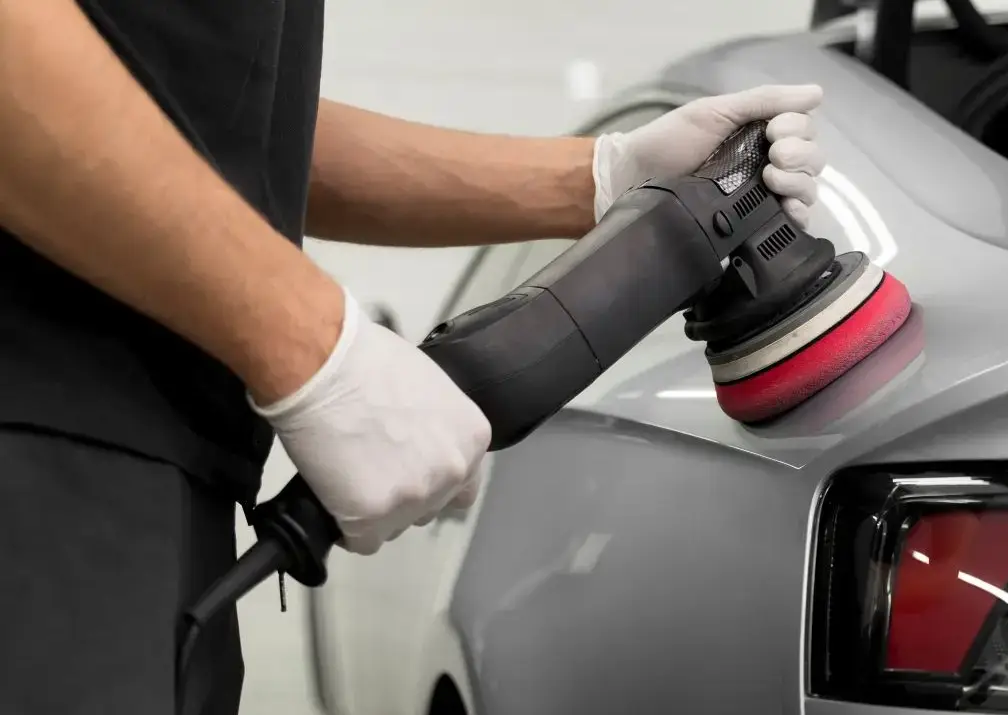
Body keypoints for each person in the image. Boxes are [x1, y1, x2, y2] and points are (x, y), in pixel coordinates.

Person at [0, 1, 826, 713]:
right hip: (45, 467)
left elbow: (221, 126)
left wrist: (600, 178)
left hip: (150, 487)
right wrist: (310, 340)